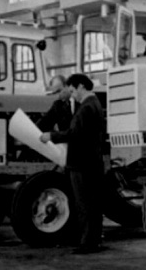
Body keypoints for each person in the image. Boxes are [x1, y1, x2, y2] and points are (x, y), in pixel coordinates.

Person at [40, 74, 105, 254]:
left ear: (81, 86)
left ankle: (87, 244)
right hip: (91, 161)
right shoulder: (95, 104)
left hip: (81, 163)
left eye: (72, 90)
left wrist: (51, 136)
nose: (72, 94)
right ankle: (92, 241)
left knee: (84, 204)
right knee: (92, 204)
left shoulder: (86, 107)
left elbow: (75, 133)